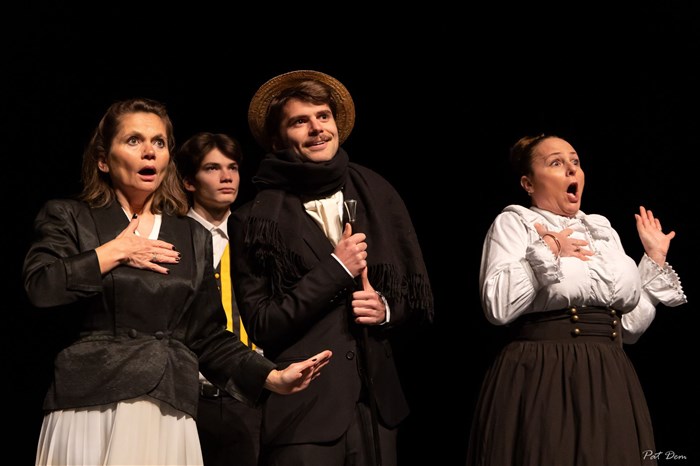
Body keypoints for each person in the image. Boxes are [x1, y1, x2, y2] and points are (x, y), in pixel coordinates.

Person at [23, 97, 332, 466]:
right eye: (134, 140)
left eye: (159, 142)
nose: (149, 152)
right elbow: (41, 286)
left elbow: (206, 335)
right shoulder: (70, 216)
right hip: (94, 400)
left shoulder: (190, 235)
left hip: (168, 405)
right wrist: (115, 252)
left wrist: (271, 377)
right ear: (103, 159)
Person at [228, 70, 434, 466]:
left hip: (376, 410)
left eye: (323, 116)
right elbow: (264, 324)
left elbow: (414, 299)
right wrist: (336, 269)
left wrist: (385, 311)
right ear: (278, 139)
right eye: (299, 121)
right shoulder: (253, 219)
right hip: (304, 412)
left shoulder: (377, 193)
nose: (317, 128)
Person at [466, 134, 687, 466]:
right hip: (544, 372)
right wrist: (549, 249)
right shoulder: (515, 223)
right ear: (528, 183)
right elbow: (497, 306)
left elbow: (628, 329)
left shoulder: (602, 231)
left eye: (575, 161)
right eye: (556, 163)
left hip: (610, 375)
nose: (571, 169)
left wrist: (653, 259)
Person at [176, 131, 263, 466]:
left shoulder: (257, 236)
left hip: (248, 395)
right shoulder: (171, 237)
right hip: (187, 397)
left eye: (233, 167)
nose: (227, 177)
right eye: (212, 168)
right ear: (189, 181)